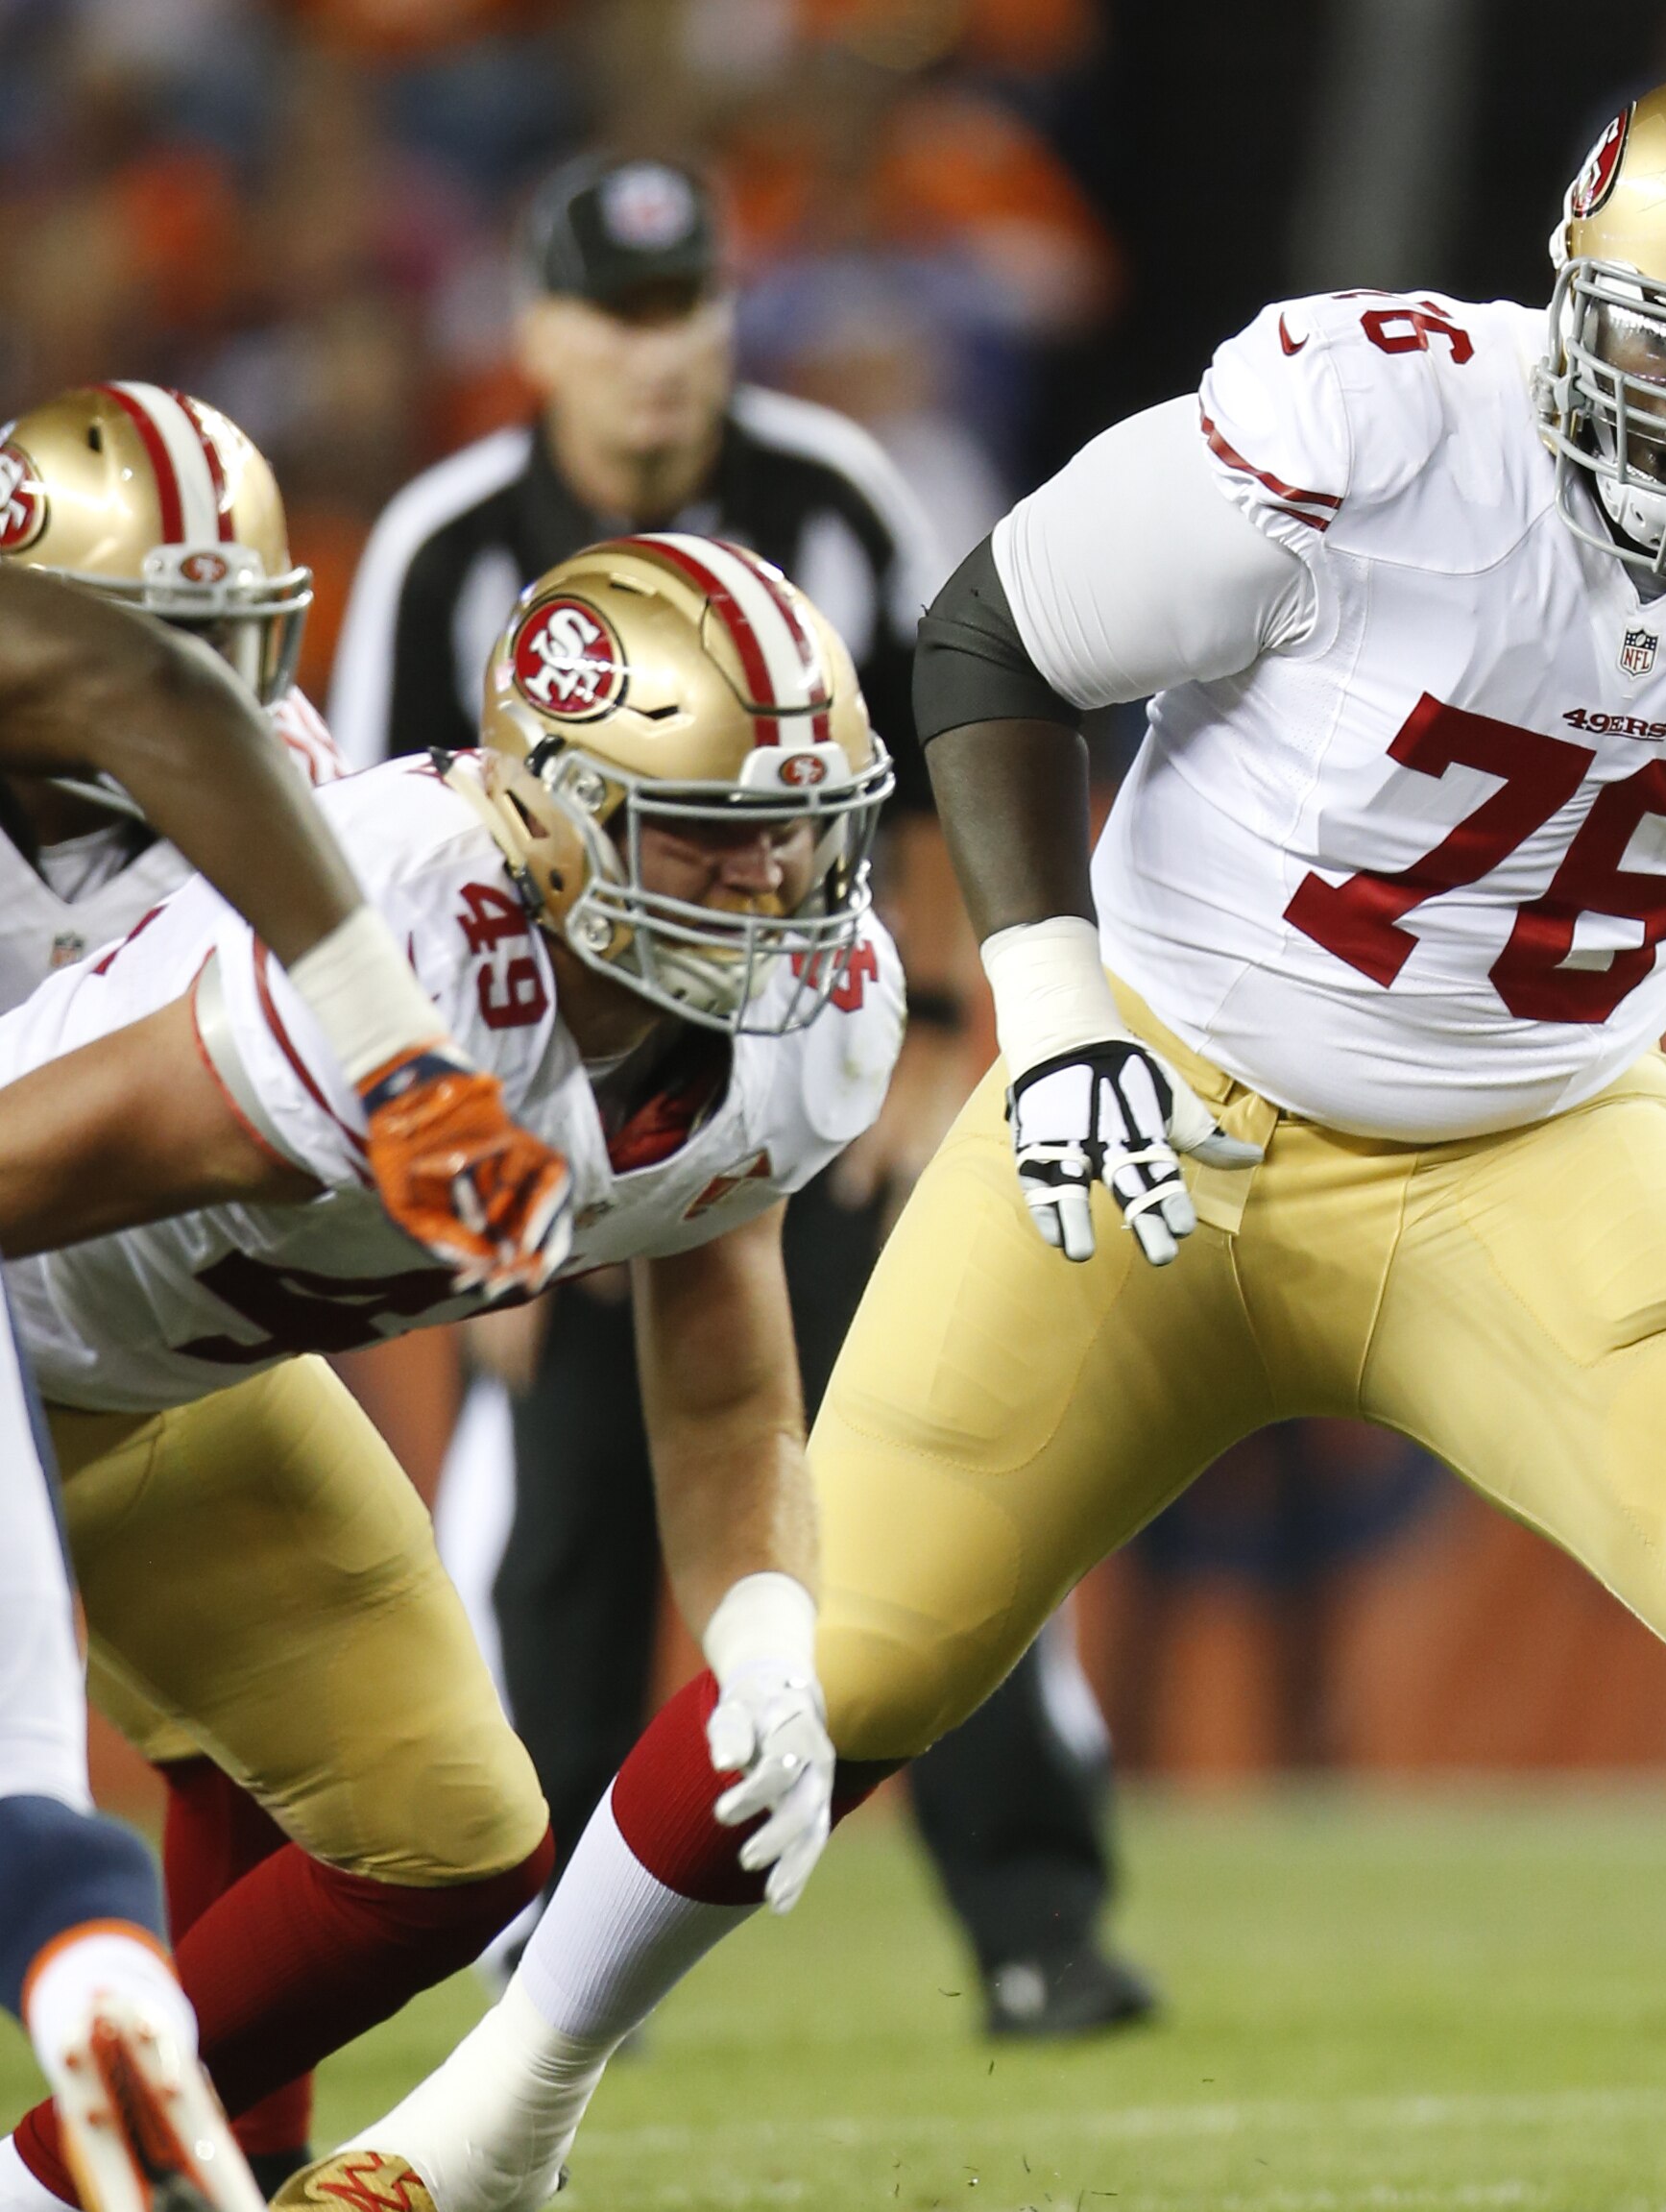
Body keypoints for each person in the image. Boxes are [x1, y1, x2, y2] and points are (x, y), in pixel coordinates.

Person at [284, 62, 1666, 2212]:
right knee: (844, 1657)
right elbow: (993, 636)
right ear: (1573, 293)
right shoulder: (1381, 425)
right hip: (1161, 1100)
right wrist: (1054, 1010)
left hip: (1534, 1142)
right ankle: (496, 2118)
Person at [333, 153, 1148, 2034]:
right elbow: (364, 862)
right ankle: (530, 1936)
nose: (655, 352)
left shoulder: (834, 495)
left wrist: (931, 1029)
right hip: (542, 1106)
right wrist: (455, 1156)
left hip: (797, 1079)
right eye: (616, 313)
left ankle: (1038, 1919)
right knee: (555, 1529)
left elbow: (947, 763)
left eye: (685, 305)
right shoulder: (451, 539)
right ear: (540, 333)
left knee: (935, 1480)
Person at [0, 537, 900, 2212]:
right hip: (21, 1342)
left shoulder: (810, 1018)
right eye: (714, 836)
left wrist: (765, 1636)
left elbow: (721, 1370)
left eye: (801, 826)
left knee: (450, 1842)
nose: (776, 881)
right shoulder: (409, 943)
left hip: (185, 1386)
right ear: (554, 818)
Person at [0, 494, 571, 2208]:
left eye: (238, 632)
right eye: (163, 645)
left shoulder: (302, 786)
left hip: (145, 1340)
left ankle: (122, 2173)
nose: (216, 687)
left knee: (443, 1832)